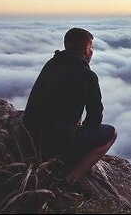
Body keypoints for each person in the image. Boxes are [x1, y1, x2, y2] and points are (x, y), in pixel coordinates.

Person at [23, 27, 117, 184]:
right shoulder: (87, 75)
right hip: (54, 143)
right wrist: (80, 131)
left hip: (29, 137)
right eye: (91, 47)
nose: (92, 51)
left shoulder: (51, 63)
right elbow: (95, 118)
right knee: (112, 133)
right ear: (87, 49)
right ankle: (70, 179)